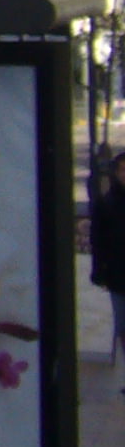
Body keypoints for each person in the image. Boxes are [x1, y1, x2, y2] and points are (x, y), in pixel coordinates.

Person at [90, 151, 125, 382]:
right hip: (118, 275)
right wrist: (99, 271)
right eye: (122, 170)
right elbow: (98, 240)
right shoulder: (106, 203)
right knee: (123, 326)